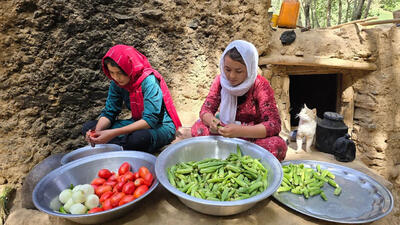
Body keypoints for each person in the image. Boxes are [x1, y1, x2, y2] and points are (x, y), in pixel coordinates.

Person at [191, 40, 287, 161]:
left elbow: (274, 125)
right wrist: (213, 122)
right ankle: (239, 156)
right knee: (197, 129)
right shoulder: (220, 81)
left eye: (238, 71)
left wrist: (240, 131)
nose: (231, 76)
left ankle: (225, 154)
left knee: (277, 146)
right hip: (224, 131)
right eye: (227, 69)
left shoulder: (260, 85)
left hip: (251, 136)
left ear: (249, 69)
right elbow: (206, 110)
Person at [82, 44, 182, 153]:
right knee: (88, 127)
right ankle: (120, 145)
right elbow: (109, 112)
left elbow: (150, 120)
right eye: (111, 72)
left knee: (138, 139)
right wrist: (97, 132)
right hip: (136, 121)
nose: (116, 77)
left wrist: (113, 133)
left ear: (129, 68)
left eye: (120, 73)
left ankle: (118, 145)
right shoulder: (116, 84)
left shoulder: (149, 81)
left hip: (159, 125)